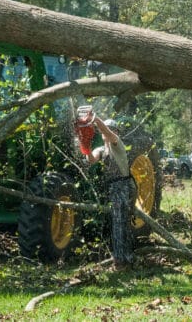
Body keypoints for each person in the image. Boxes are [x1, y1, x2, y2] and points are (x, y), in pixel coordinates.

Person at [76, 113, 136, 269]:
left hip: (123, 186)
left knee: (121, 223)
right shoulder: (102, 149)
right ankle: (122, 259)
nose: (105, 133)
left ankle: (123, 261)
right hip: (113, 187)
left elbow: (108, 133)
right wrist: (85, 146)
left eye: (110, 130)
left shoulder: (117, 144)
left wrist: (95, 119)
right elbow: (91, 159)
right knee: (117, 224)